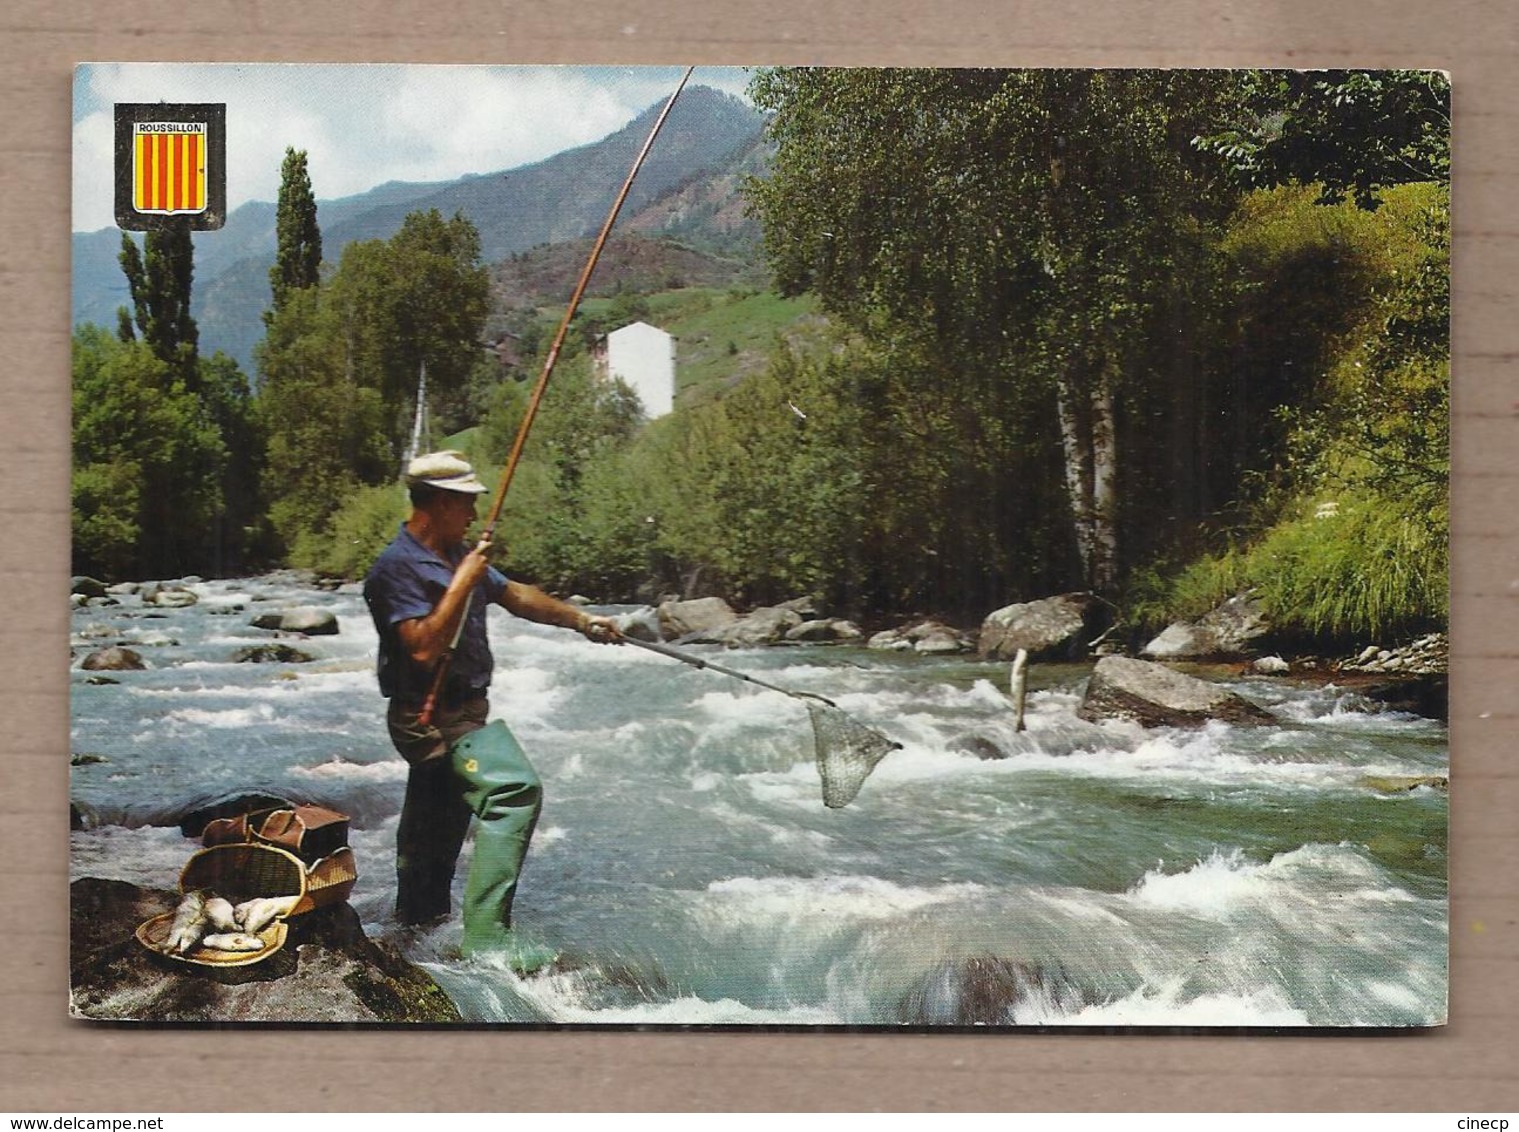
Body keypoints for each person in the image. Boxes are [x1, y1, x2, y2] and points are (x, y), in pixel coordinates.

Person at [363, 450, 622, 971]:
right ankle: (486, 938)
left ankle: (414, 931)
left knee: (435, 826)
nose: (473, 516)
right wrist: (463, 581)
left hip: (465, 711)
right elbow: (420, 648)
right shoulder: (395, 568)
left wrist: (581, 620)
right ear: (437, 503)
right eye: (465, 504)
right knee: (513, 789)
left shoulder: (456, 553)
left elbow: (516, 595)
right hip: (430, 719)